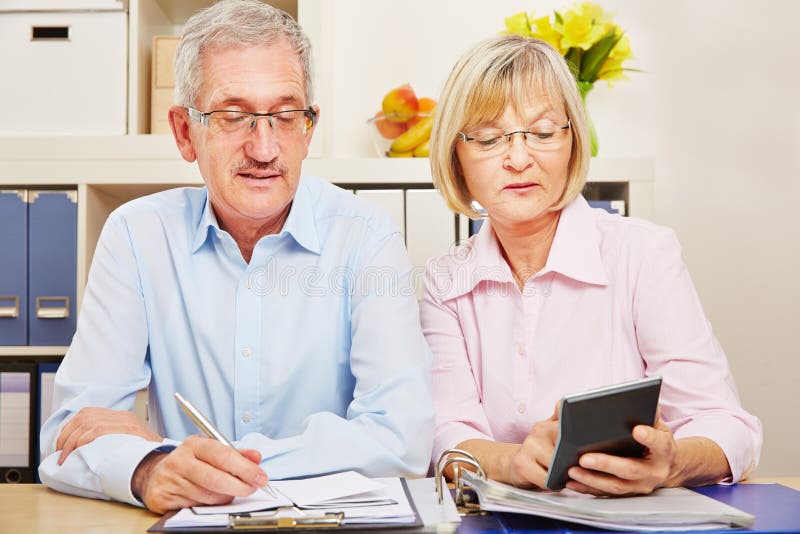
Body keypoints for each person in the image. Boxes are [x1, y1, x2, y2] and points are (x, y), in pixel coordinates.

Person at [39, 0, 433, 513]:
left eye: (286, 115)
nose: (265, 148)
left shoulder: (366, 237)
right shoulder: (138, 236)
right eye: (233, 116)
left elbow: (401, 441)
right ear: (185, 132)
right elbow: (68, 437)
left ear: (309, 127)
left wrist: (180, 454)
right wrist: (147, 471)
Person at [422, 34, 761, 496]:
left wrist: (673, 462)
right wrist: (516, 462)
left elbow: (729, 427)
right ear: (456, 156)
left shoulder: (644, 254)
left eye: (542, 133)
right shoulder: (445, 281)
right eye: (488, 138)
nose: (519, 159)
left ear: (573, 141)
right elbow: (447, 435)